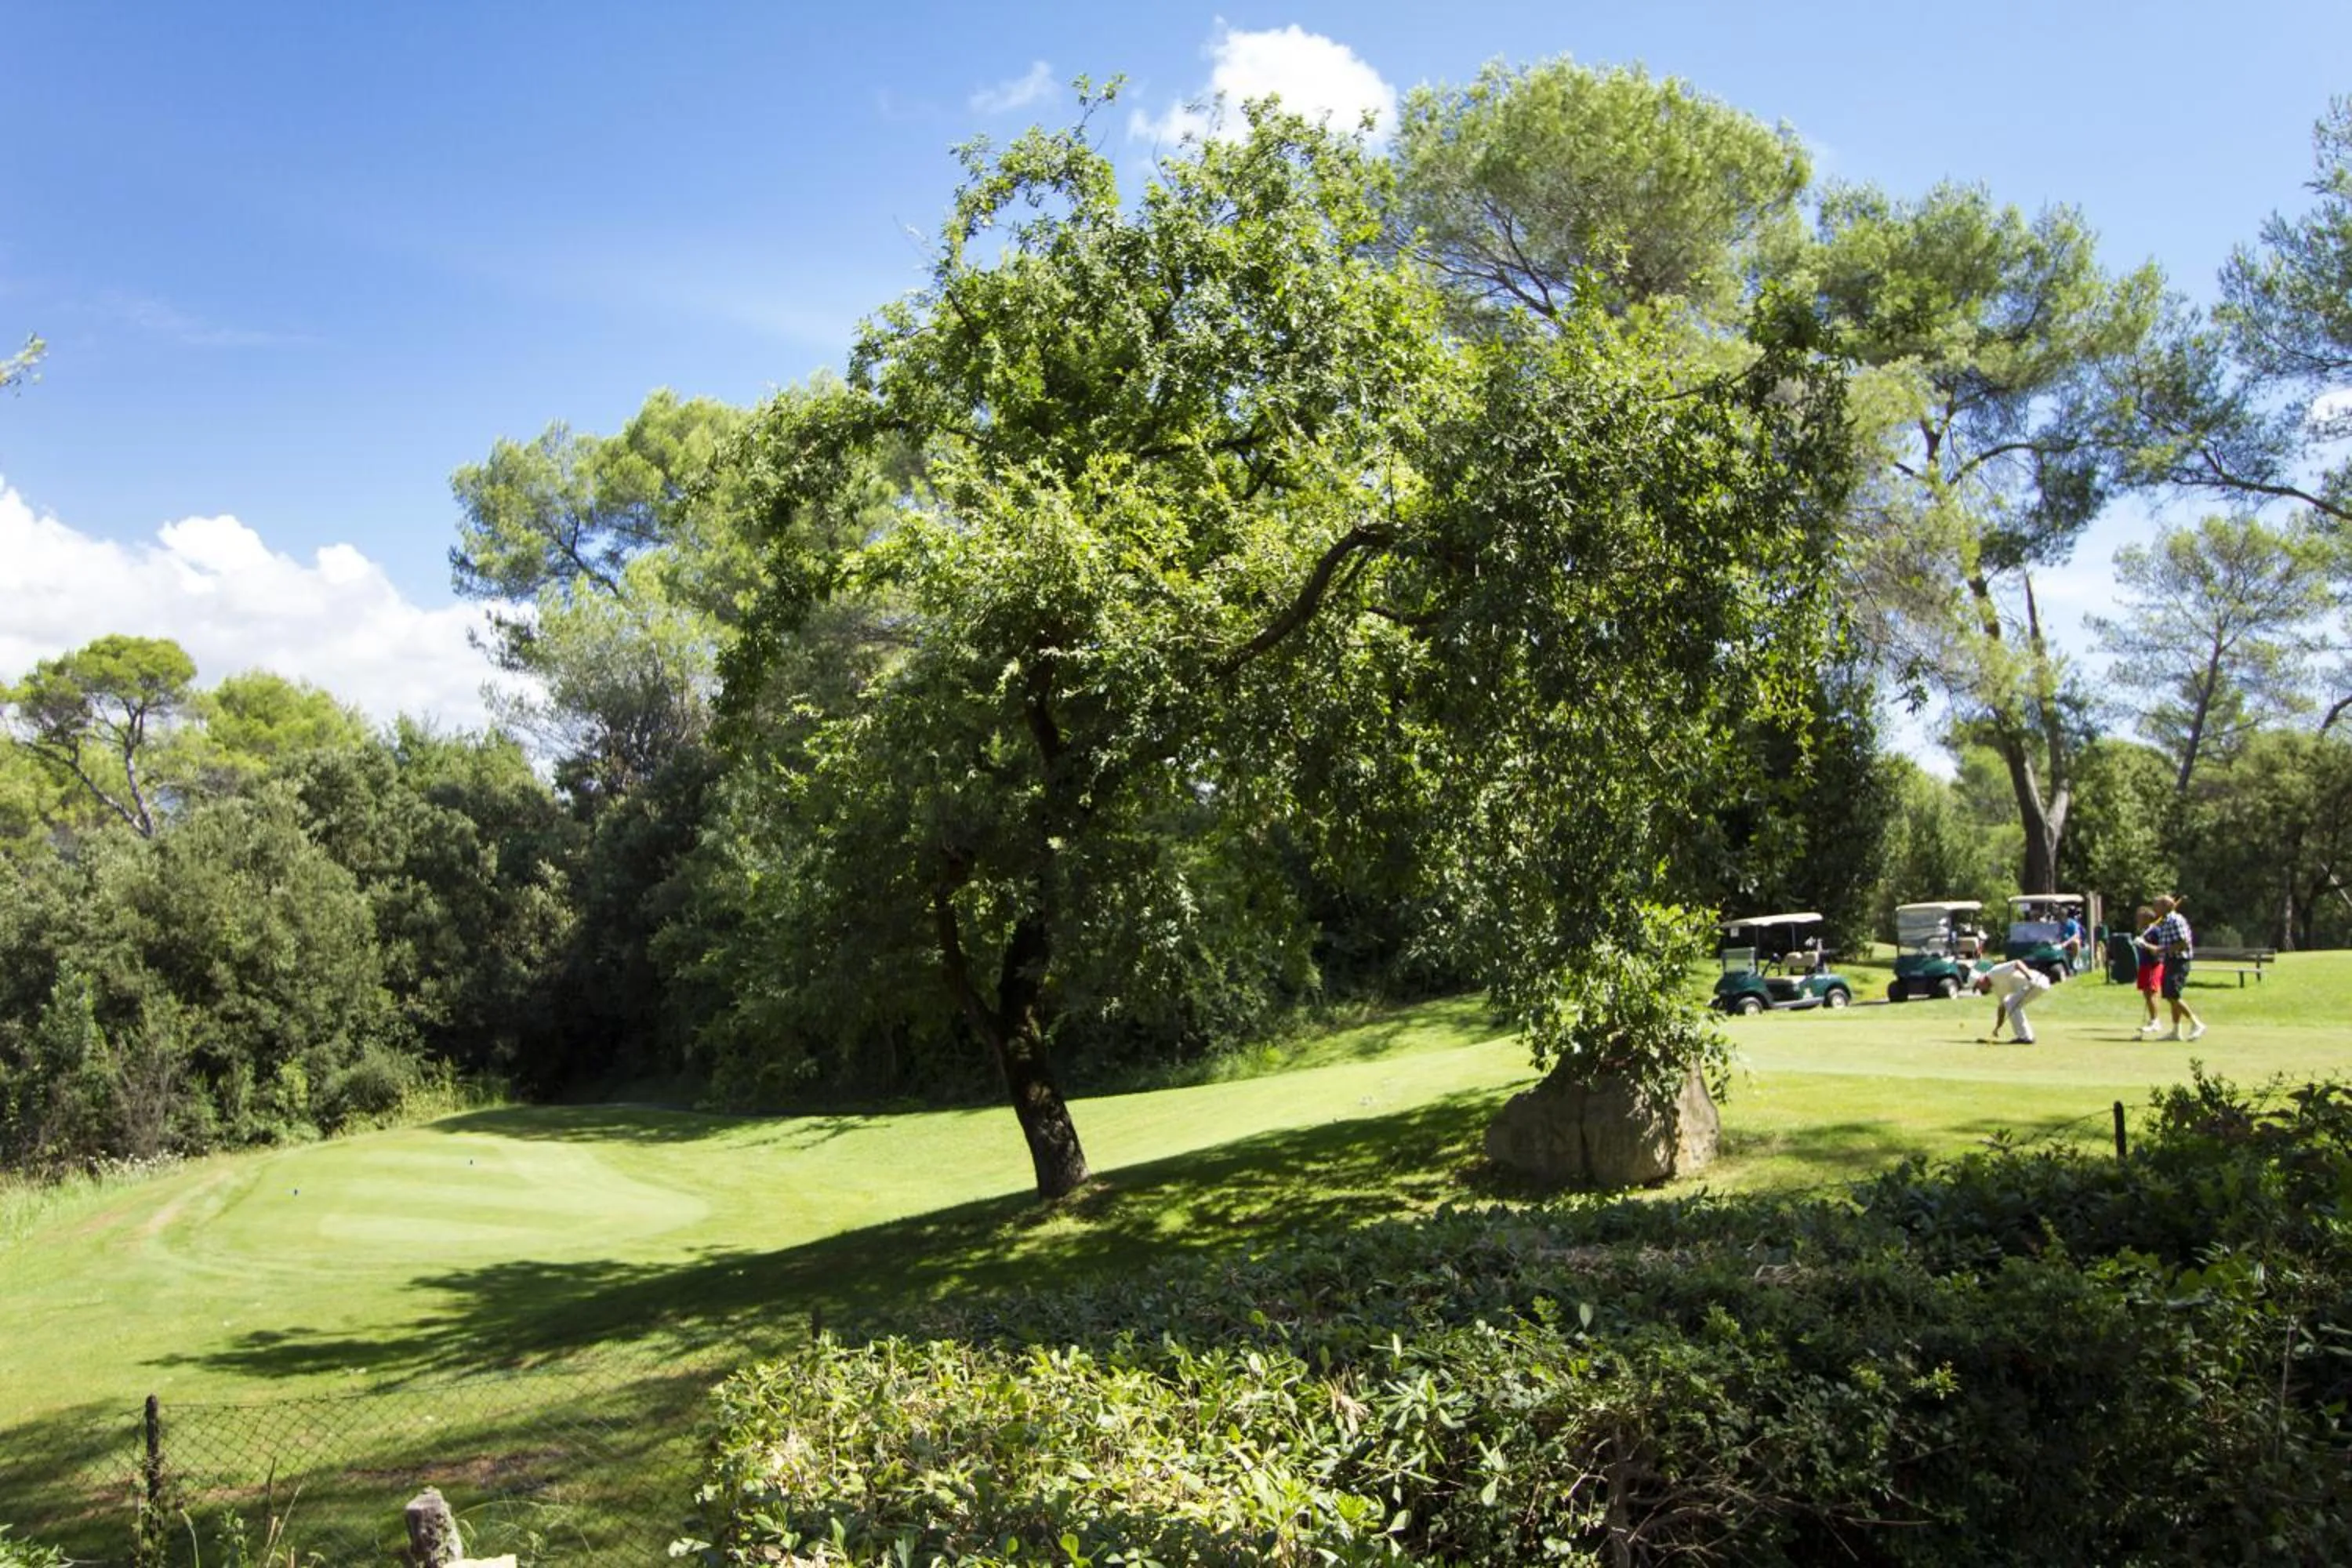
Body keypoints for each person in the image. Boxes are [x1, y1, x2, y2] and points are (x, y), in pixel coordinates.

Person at [2137, 895, 2206, 1042]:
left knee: (2172, 995)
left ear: (2165, 907)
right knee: (2170, 995)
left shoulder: (2175, 920)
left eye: (2156, 905)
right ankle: (2176, 1032)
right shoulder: (2166, 921)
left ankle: (2196, 1024)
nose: (2154, 909)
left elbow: (2184, 943)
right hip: (2170, 960)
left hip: (2179, 961)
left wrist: (2159, 949)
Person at [1973, 957, 2053, 1044]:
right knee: (2010, 1003)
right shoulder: (1995, 989)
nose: (1980, 989)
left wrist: (2029, 977)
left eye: (1978, 986)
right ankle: (2026, 1037)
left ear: (1981, 979)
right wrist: (1998, 1027)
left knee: (2010, 1002)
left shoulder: (1994, 972)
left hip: (2037, 981)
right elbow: (2002, 1007)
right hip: (2031, 987)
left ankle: (2025, 1037)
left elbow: (2017, 963)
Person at [2129, 903, 2165, 1032]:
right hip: (2144, 964)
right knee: (2146, 993)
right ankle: (2153, 1019)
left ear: (2147, 918)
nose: (2137, 920)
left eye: (2140, 917)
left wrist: (2144, 944)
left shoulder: (2155, 931)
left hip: (2153, 964)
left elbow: (2160, 949)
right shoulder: (2145, 931)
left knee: (2151, 993)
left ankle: (2156, 1021)